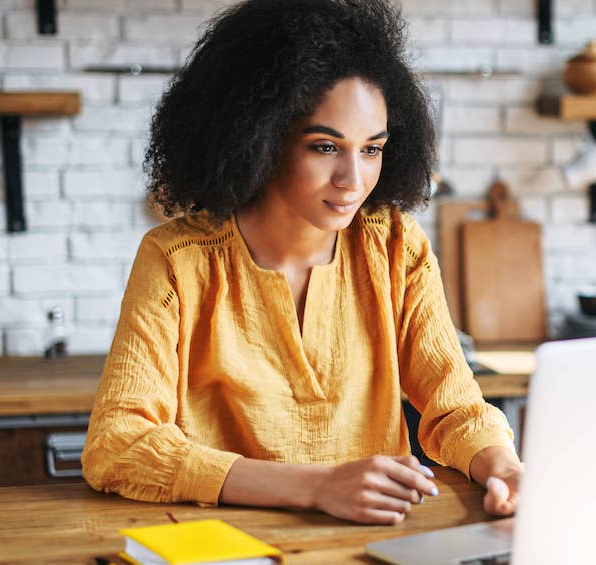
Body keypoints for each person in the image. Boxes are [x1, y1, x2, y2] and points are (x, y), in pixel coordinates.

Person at [81, 0, 522, 525]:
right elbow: (118, 445)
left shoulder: (395, 246)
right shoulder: (177, 262)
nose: (353, 181)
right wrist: (317, 487)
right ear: (257, 139)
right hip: (230, 550)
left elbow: (456, 409)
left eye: (371, 149)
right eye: (324, 147)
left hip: (374, 546)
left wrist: (503, 468)